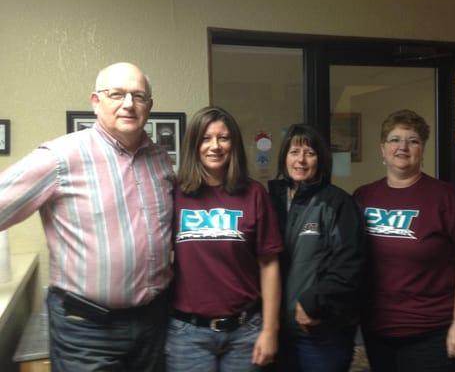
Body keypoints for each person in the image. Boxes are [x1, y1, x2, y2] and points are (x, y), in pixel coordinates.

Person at [0, 62, 175, 371]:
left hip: (154, 324)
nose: (128, 104)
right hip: (87, 330)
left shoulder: (160, 160)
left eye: (138, 96)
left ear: (150, 105)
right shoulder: (59, 158)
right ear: (96, 102)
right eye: (116, 94)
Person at [353, 109, 455, 372]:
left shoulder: (448, 198)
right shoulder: (363, 196)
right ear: (382, 149)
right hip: (377, 328)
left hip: (431, 331)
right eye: (394, 139)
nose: (402, 147)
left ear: (422, 149)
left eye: (413, 140)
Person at [166, 106, 283, 372]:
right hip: (188, 335)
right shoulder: (175, 193)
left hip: (245, 332)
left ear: (234, 144)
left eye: (224, 138)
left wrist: (269, 329)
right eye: (206, 138)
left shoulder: (254, 194)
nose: (215, 146)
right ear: (194, 144)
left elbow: (269, 264)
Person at [268, 124, 368, 372]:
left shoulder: (338, 204)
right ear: (284, 158)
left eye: (309, 153)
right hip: (274, 328)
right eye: (294, 152)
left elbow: (350, 264)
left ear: (321, 160)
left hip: (319, 329)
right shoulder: (270, 200)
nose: (300, 160)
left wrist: (313, 302)